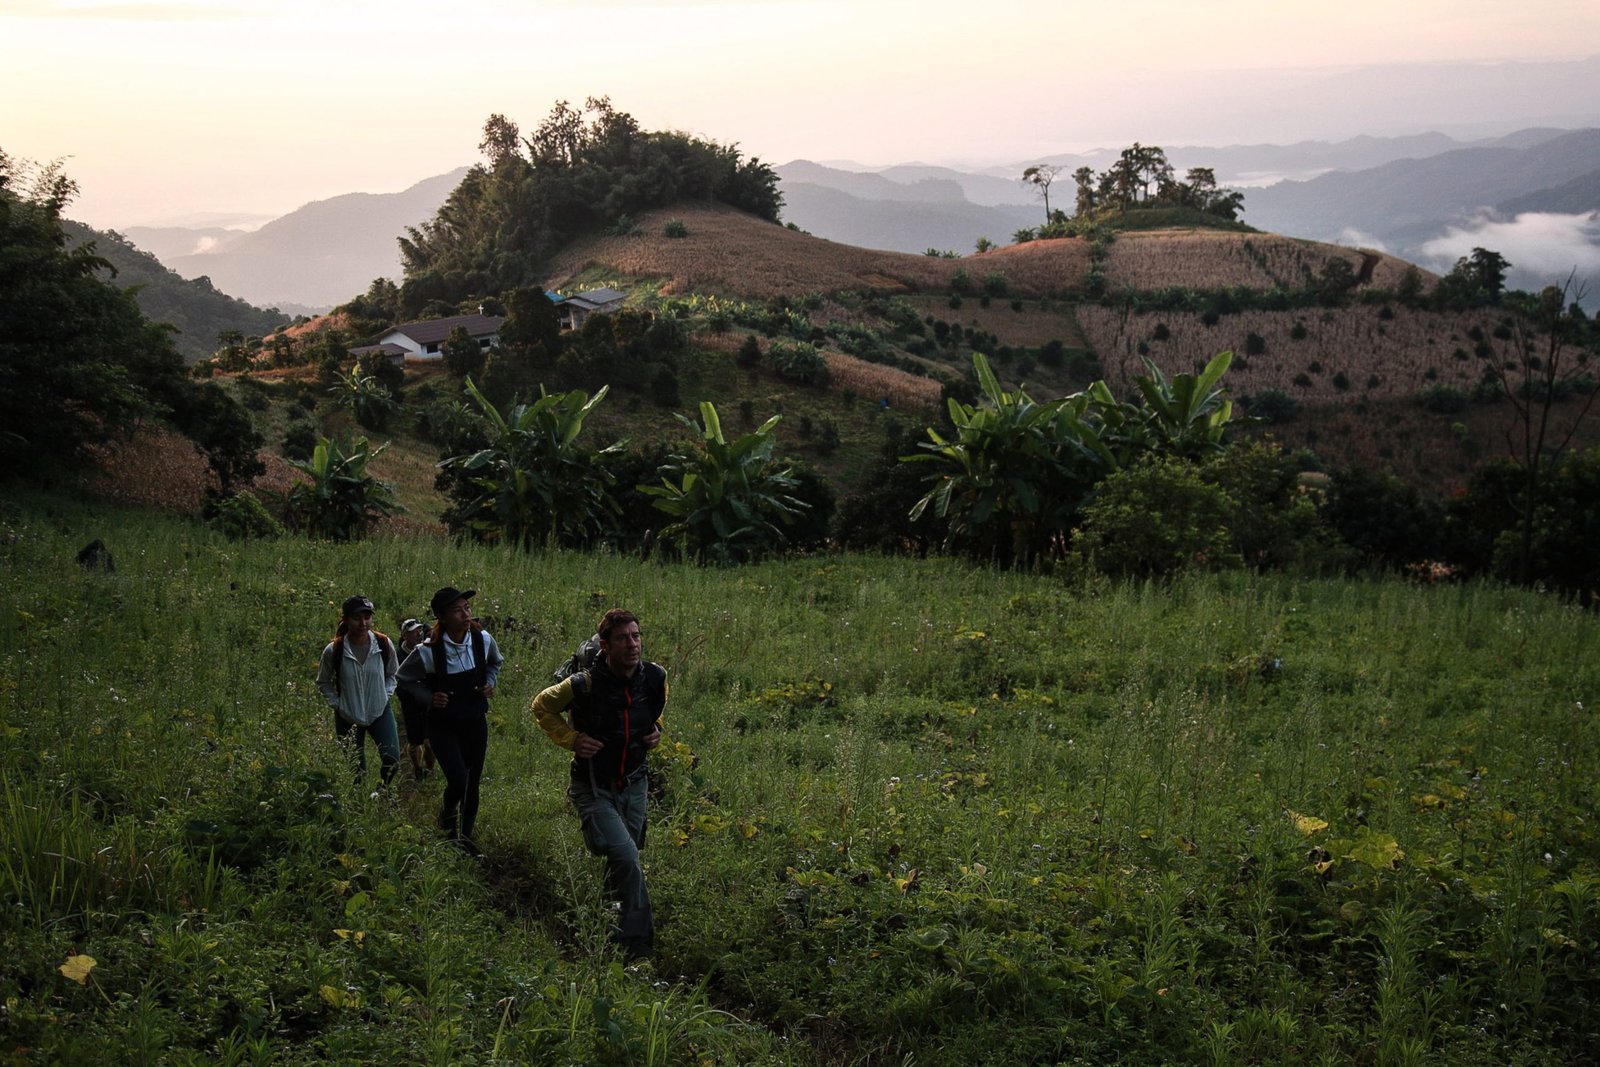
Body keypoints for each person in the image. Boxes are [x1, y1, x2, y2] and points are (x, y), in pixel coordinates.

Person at [531, 608, 667, 960]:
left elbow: (654, 711)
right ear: (605, 646)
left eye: (636, 636)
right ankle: (637, 949)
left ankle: (604, 925)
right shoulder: (584, 683)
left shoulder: (654, 677)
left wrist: (657, 731)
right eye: (623, 639)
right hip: (592, 786)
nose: (632, 644)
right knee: (625, 856)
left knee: (625, 860)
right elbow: (542, 707)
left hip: (635, 783)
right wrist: (571, 738)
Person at [397, 586, 503, 856]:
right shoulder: (428, 651)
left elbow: (495, 664)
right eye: (457, 610)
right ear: (442, 617)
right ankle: (446, 817)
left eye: (467, 608)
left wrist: (490, 683)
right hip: (443, 726)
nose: (466, 614)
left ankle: (465, 839)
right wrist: (429, 697)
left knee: (473, 781)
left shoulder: (482, 640)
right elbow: (403, 679)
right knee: (458, 780)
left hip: (475, 721)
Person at [315, 595, 402, 790]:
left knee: (392, 758)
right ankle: (361, 804)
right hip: (347, 715)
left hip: (380, 711)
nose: (363, 623)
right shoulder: (334, 650)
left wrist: (384, 694)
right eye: (357, 618)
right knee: (356, 769)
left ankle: (383, 791)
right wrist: (338, 705)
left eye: (367, 617)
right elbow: (323, 681)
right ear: (345, 619)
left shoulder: (383, 644)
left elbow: (393, 674)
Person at [394, 618, 436, 781]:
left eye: (419, 630)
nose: (418, 633)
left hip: (427, 701)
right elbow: (398, 679)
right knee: (414, 741)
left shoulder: (426, 650)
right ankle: (418, 769)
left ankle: (431, 771)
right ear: (405, 635)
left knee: (429, 741)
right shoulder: (399, 655)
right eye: (413, 631)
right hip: (410, 703)